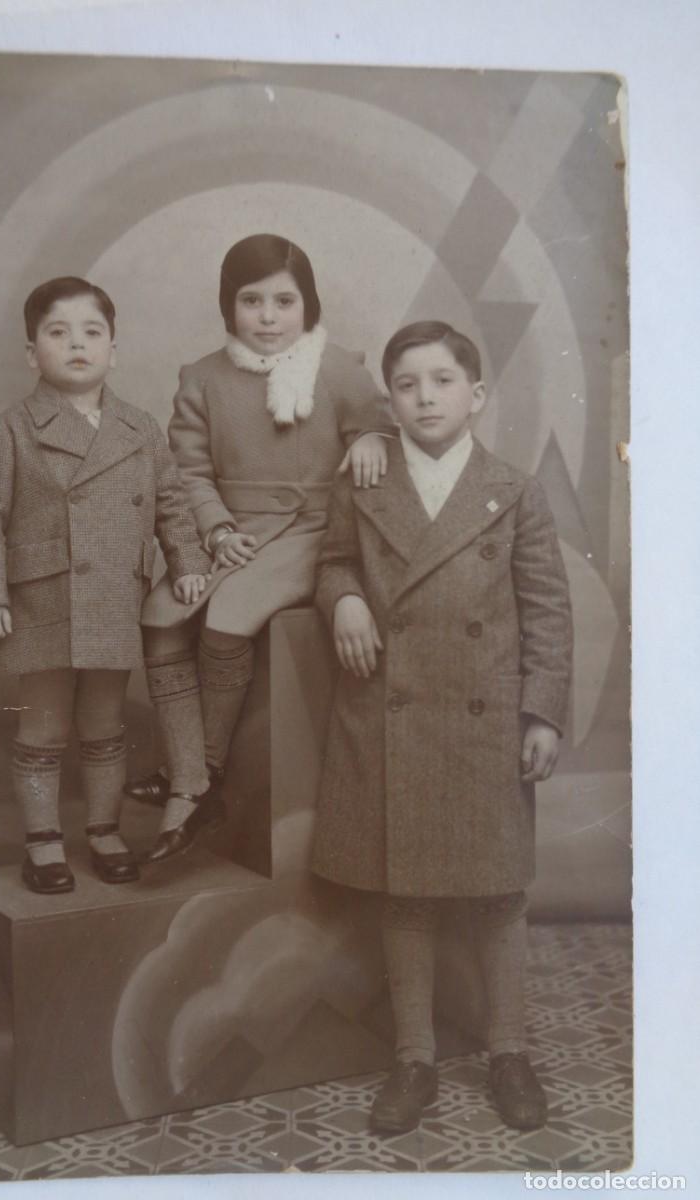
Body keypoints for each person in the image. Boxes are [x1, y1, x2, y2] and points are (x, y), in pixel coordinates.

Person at [313, 320, 573, 1133]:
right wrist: (345, 598)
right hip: (393, 711)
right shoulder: (364, 482)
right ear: (388, 401)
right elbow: (332, 561)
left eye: (443, 381)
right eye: (407, 385)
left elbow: (547, 610)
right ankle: (413, 1060)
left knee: (498, 894)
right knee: (407, 898)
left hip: (485, 718)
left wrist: (542, 713)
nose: (425, 397)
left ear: (476, 395)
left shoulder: (514, 488)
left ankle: (509, 1052)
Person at [128, 233, 396, 863]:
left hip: (310, 529)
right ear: (229, 308)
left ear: (309, 307)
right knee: (161, 620)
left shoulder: (338, 368)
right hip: (233, 530)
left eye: (284, 301)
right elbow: (187, 472)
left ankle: (201, 778)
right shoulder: (203, 378)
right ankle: (190, 771)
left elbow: (380, 424)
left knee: (225, 622)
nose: (269, 317)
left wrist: (372, 440)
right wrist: (217, 529)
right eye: (252, 301)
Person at [0, 276, 210, 894]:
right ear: (31, 352)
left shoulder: (141, 429)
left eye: (93, 332)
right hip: (41, 598)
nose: (77, 345)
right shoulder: (10, 429)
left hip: (111, 600)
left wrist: (187, 563)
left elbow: (172, 505)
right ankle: (43, 842)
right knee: (42, 730)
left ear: (113, 350)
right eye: (58, 332)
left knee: (104, 726)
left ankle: (104, 830)